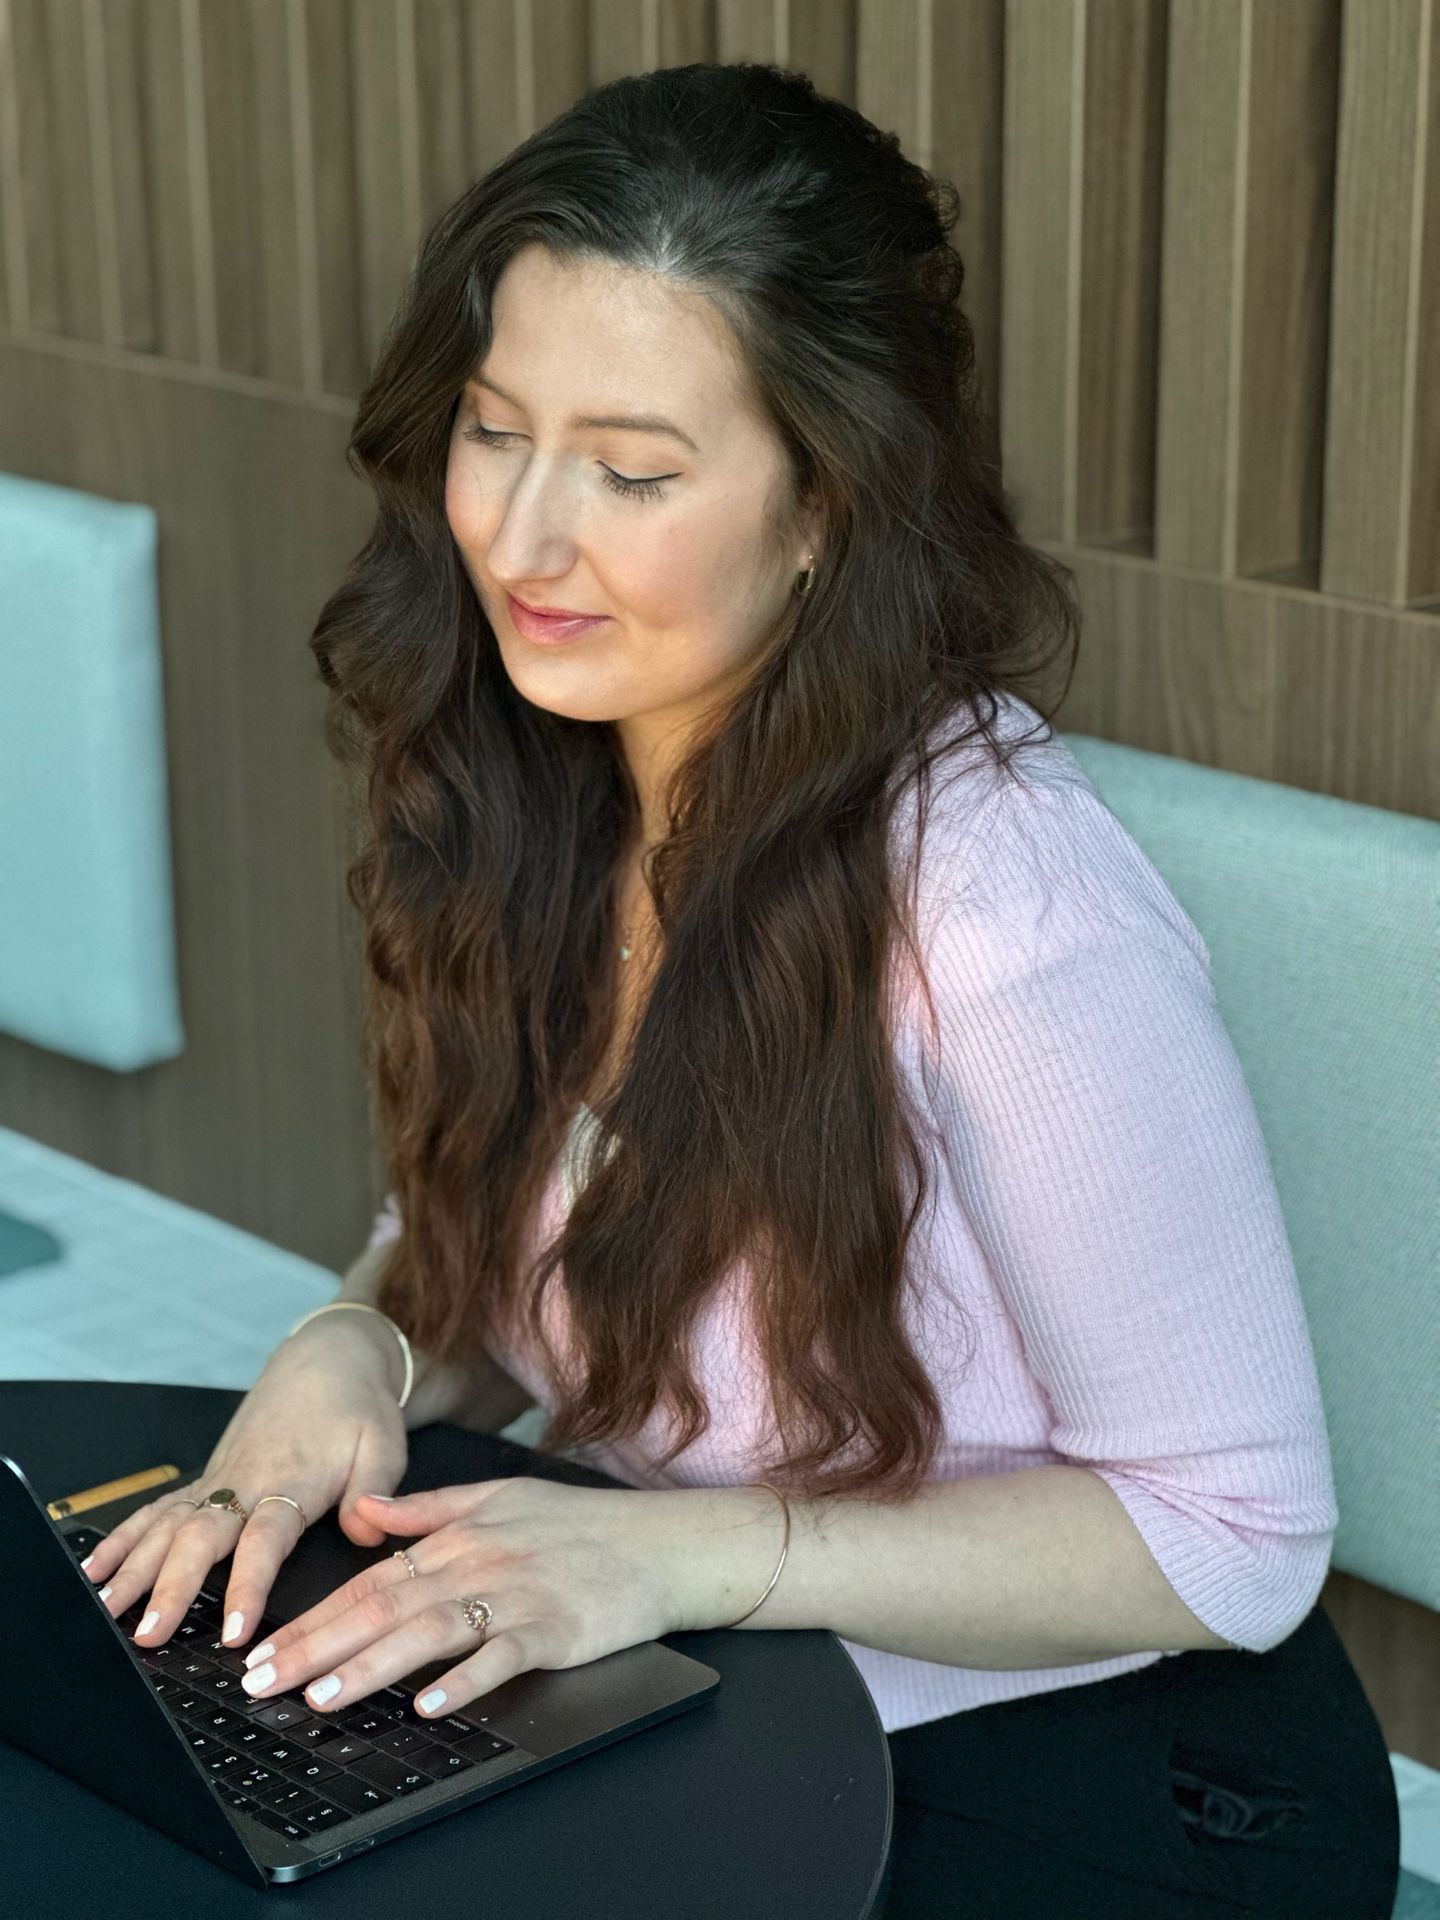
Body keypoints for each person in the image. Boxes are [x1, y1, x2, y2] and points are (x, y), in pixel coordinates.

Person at [78, 62, 1400, 1917]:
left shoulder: (1006, 906)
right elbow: (515, 1232)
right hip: (710, 1657)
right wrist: (362, 1341)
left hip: (1106, 1771)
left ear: (823, 513)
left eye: (629, 472)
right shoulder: (545, 757)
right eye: (490, 428)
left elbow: (1236, 1538)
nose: (523, 541)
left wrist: (684, 1561)